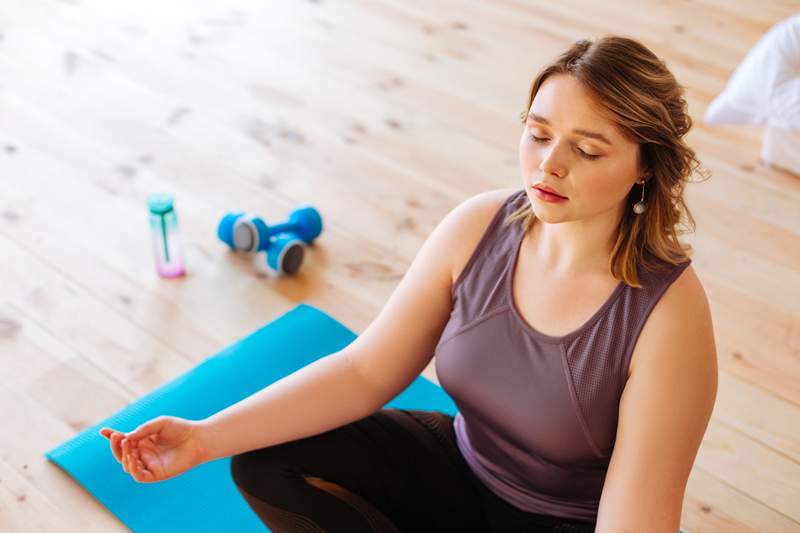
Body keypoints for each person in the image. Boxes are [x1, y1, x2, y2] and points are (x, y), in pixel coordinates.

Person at [100, 35, 718, 533]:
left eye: (587, 150)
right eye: (537, 134)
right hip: (462, 468)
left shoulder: (669, 320)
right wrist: (203, 438)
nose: (549, 163)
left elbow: (635, 520)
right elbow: (365, 372)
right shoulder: (479, 226)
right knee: (267, 463)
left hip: (562, 520)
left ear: (644, 169)